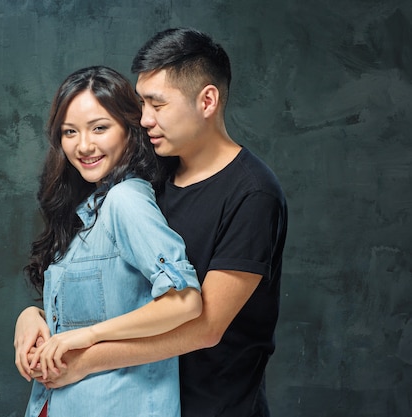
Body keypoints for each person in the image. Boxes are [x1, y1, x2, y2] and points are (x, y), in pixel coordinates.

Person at [15, 28, 288, 417]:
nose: (144, 119)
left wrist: (87, 356)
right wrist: (34, 316)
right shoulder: (147, 180)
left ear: (207, 100)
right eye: (142, 104)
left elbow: (205, 325)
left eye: (157, 105)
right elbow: (117, 295)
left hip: (216, 406)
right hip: (133, 397)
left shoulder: (252, 192)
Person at [16, 65, 203, 417]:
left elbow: (185, 302)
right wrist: (31, 316)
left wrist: (88, 337)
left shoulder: (126, 201)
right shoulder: (85, 210)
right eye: (70, 132)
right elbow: (102, 306)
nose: (83, 145)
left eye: (99, 128)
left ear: (129, 131)